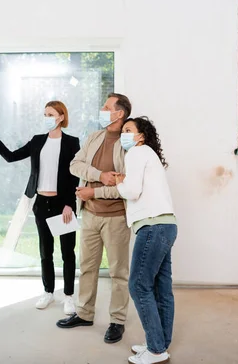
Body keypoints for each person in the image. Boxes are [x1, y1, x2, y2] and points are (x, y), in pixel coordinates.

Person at [0, 101, 80, 314]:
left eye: (50, 114)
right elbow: (11, 156)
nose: (47, 117)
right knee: (45, 251)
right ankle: (48, 292)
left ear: (61, 117)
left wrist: (70, 204)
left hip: (63, 204)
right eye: (45, 114)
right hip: (42, 203)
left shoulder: (72, 142)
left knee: (67, 252)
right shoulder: (37, 141)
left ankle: (69, 296)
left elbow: (74, 174)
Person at [56, 93, 132, 344]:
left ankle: (117, 321)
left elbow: (124, 185)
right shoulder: (94, 137)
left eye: (106, 107)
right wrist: (99, 174)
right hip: (89, 214)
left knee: (118, 272)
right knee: (87, 267)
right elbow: (74, 165)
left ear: (119, 113)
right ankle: (85, 313)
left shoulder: (128, 143)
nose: (102, 109)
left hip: (117, 218)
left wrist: (94, 188)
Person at [115, 116, 177, 364]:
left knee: (138, 285)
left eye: (128, 130)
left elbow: (132, 191)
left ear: (141, 136)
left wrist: (120, 182)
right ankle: (159, 343)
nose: (124, 134)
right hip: (167, 225)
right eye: (122, 131)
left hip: (152, 227)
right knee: (162, 289)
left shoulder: (136, 153)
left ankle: (156, 350)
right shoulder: (149, 155)